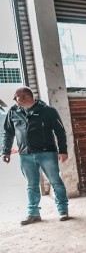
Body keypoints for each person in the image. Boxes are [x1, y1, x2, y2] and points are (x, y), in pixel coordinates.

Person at [2, 86, 70, 225]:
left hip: (47, 153)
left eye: (16, 96)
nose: (14, 99)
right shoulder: (14, 111)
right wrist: (6, 151)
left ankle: (63, 210)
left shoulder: (48, 111)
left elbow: (60, 132)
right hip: (25, 155)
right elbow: (8, 132)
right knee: (31, 185)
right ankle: (33, 213)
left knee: (55, 182)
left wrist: (63, 150)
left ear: (27, 97)